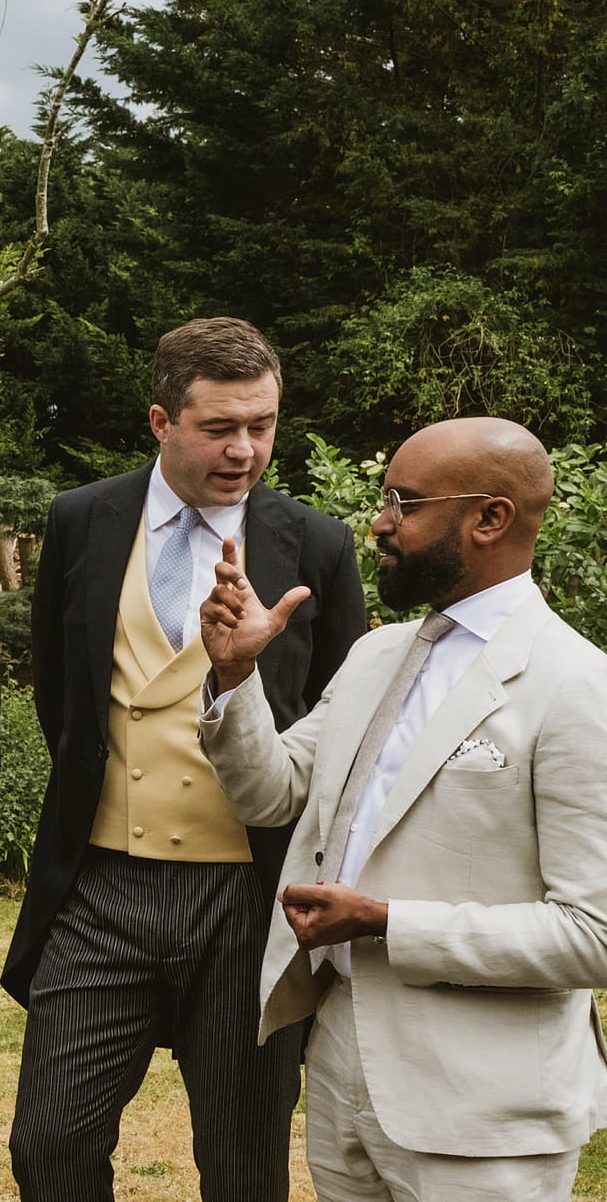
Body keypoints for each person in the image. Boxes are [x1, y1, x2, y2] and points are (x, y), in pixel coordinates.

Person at [3, 317, 367, 1200]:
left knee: (242, 1167)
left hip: (250, 896)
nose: (245, 449)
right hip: (100, 885)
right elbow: (64, 697)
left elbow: (344, 718)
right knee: (47, 1146)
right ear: (161, 420)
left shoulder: (317, 544)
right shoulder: (82, 520)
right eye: (219, 428)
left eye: (263, 425)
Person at [198, 417, 607, 1199]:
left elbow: (594, 933)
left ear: (490, 518)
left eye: (404, 501)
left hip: (484, 1113)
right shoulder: (376, 654)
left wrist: (385, 921)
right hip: (345, 1068)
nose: (379, 522)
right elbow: (272, 792)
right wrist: (234, 677)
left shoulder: (576, 686)